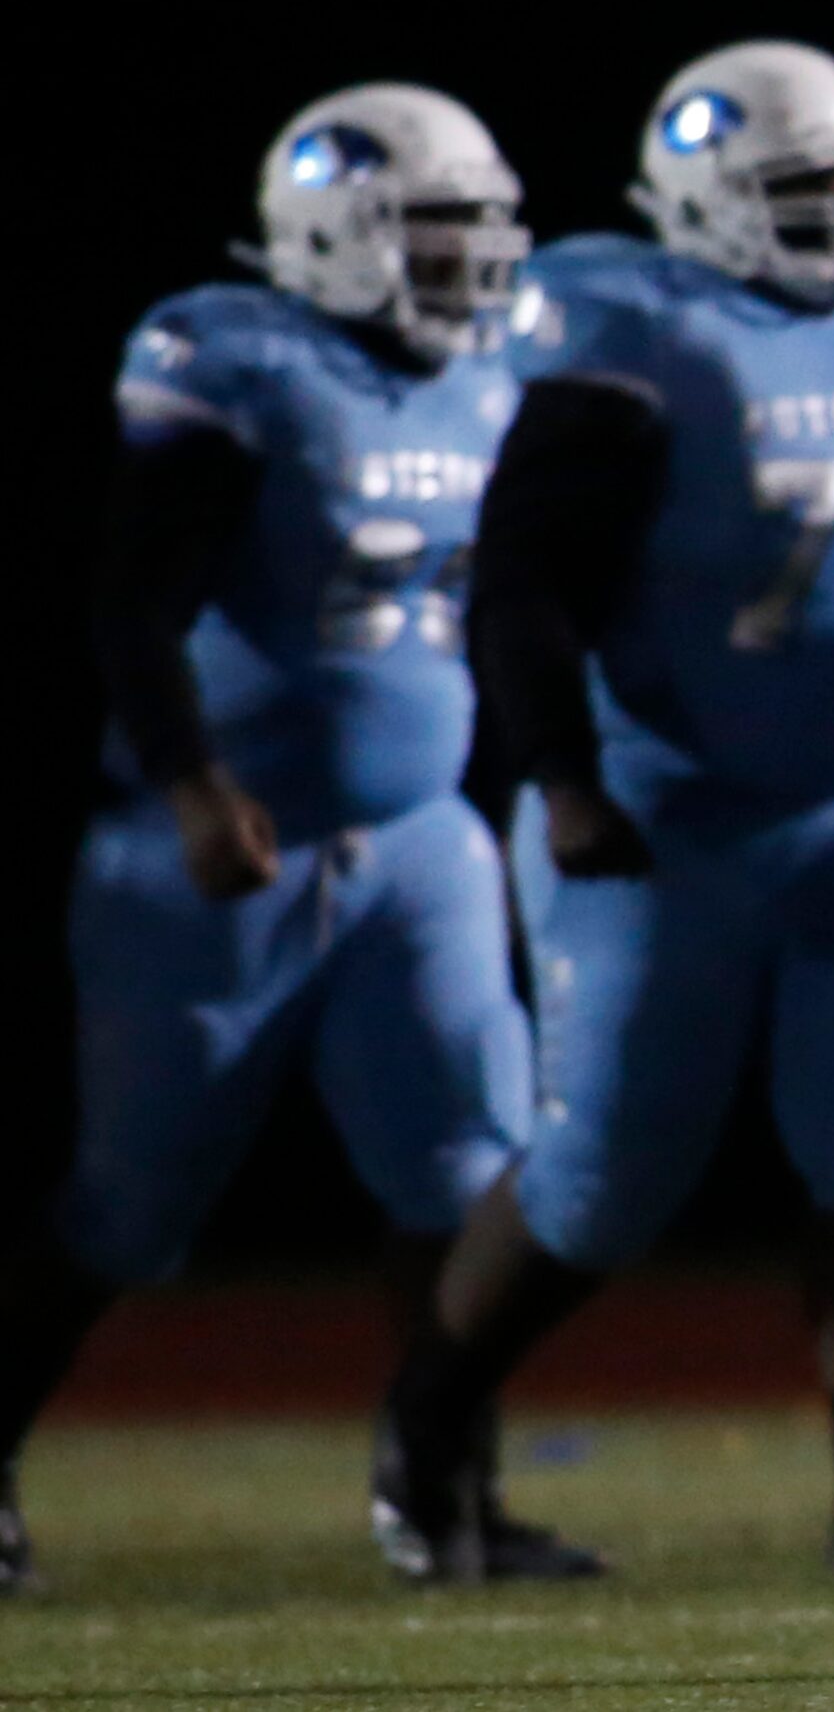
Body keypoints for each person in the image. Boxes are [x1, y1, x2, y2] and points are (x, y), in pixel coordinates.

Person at [381, 41, 834, 1581]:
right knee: (606, 1170)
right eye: (799, 188)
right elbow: (519, 582)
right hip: (666, 801)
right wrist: (563, 776)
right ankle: (425, 1444)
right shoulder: (627, 330)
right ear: (702, 202)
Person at [1, 85, 591, 1593]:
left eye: (483, 233)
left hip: (417, 845)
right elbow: (131, 596)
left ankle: (441, 1483)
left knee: (470, 1182)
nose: (472, 266)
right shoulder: (237, 361)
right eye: (439, 231)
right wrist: (194, 782)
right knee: (128, 1209)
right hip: (218, 854)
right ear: (335, 233)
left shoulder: (489, 375)